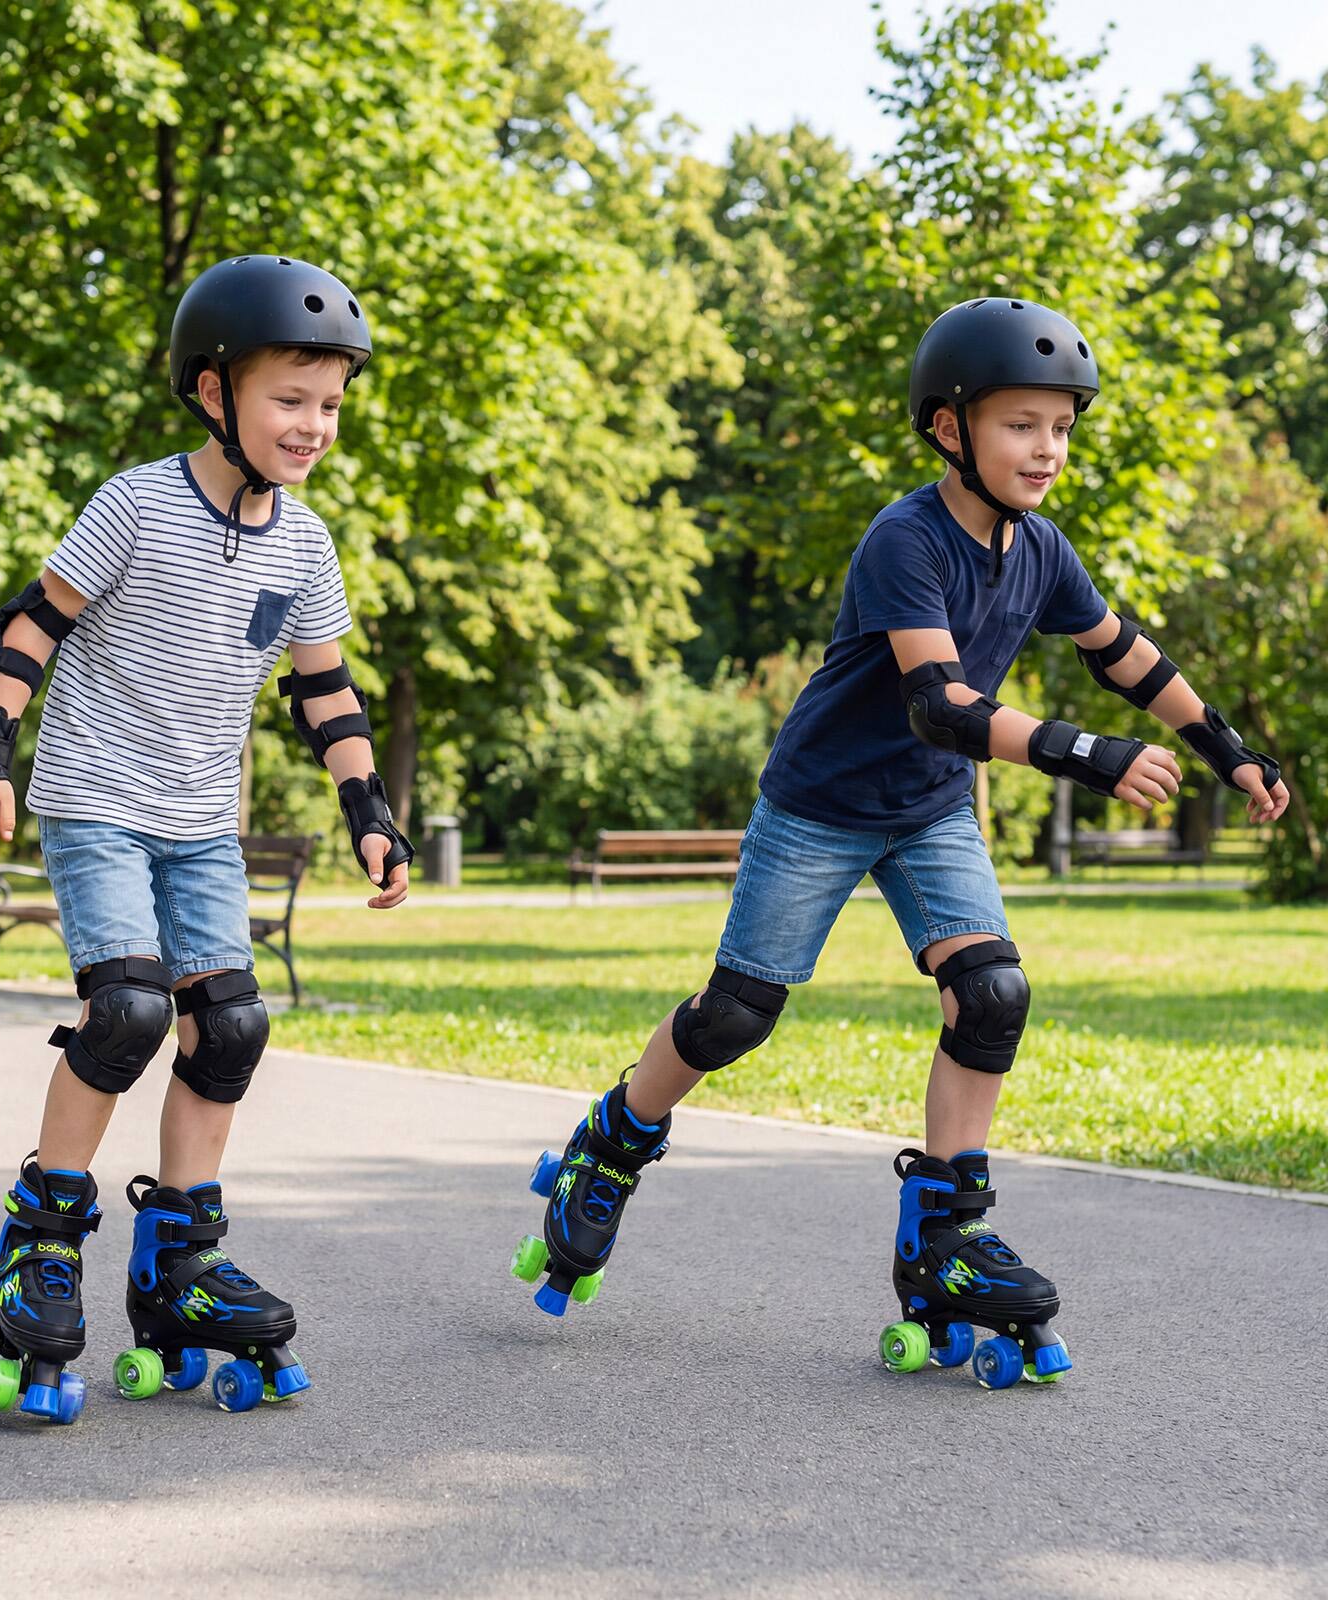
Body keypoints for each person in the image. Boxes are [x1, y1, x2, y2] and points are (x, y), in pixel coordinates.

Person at [510, 297, 1288, 1390]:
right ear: (948, 428)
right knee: (737, 1014)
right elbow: (942, 706)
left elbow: (1125, 654)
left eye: (1061, 427)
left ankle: (944, 1239)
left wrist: (1226, 748)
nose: (1048, 450)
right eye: (1022, 425)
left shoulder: (1041, 550)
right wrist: (1087, 755)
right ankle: (613, 1140)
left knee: (993, 993)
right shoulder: (904, 539)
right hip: (822, 804)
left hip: (927, 812)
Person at [0, 254, 411, 1422]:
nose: (313, 425)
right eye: (289, 399)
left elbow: (327, 692)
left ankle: (179, 1261)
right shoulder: (137, 503)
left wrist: (370, 812)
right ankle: (41, 1241)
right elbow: (31, 625)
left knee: (232, 1023)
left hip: (205, 824)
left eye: (330, 405)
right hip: (98, 799)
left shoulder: (304, 545)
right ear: (213, 392)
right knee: (130, 1010)